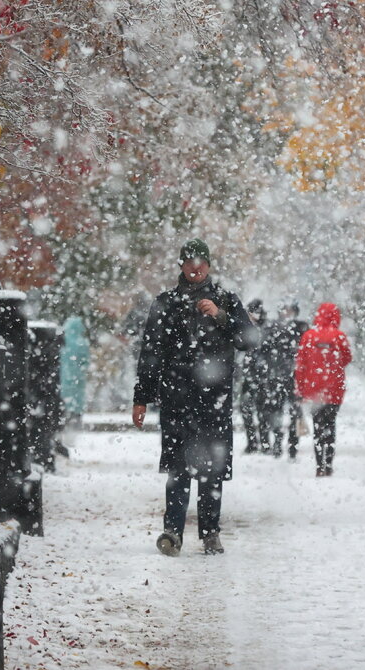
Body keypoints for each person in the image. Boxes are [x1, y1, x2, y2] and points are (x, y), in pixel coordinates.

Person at [132, 238, 259, 556]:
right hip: (176, 399)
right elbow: (150, 353)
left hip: (214, 401)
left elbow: (248, 339)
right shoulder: (166, 302)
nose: (195, 267)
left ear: (210, 266)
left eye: (201, 261)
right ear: (181, 265)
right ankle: (172, 532)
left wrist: (220, 316)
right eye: (189, 261)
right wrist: (142, 397)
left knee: (212, 470)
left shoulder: (226, 299)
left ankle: (210, 533)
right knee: (178, 469)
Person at [295, 303, 353, 476]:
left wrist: (301, 388)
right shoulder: (339, 336)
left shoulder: (308, 336)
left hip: (314, 391)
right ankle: (328, 463)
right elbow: (347, 358)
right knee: (330, 425)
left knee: (318, 426)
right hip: (333, 389)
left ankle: (319, 463)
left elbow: (301, 364)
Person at [262, 302, 309, 459]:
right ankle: (277, 442)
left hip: (294, 378)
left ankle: (292, 446)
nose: (287, 313)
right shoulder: (272, 328)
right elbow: (264, 350)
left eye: (290, 310)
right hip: (276, 377)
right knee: (276, 412)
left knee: (294, 413)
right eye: (284, 310)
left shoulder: (300, 328)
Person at [238, 299, 271, 454]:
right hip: (250, 375)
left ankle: (262, 441)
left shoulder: (264, 329)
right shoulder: (248, 328)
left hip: (261, 376)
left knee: (261, 409)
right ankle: (254, 441)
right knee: (247, 409)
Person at [60, 316, 90, 426]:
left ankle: (67, 416)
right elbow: (85, 361)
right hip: (78, 376)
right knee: (77, 397)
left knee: (67, 395)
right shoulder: (82, 342)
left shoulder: (64, 341)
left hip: (64, 375)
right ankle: (76, 417)